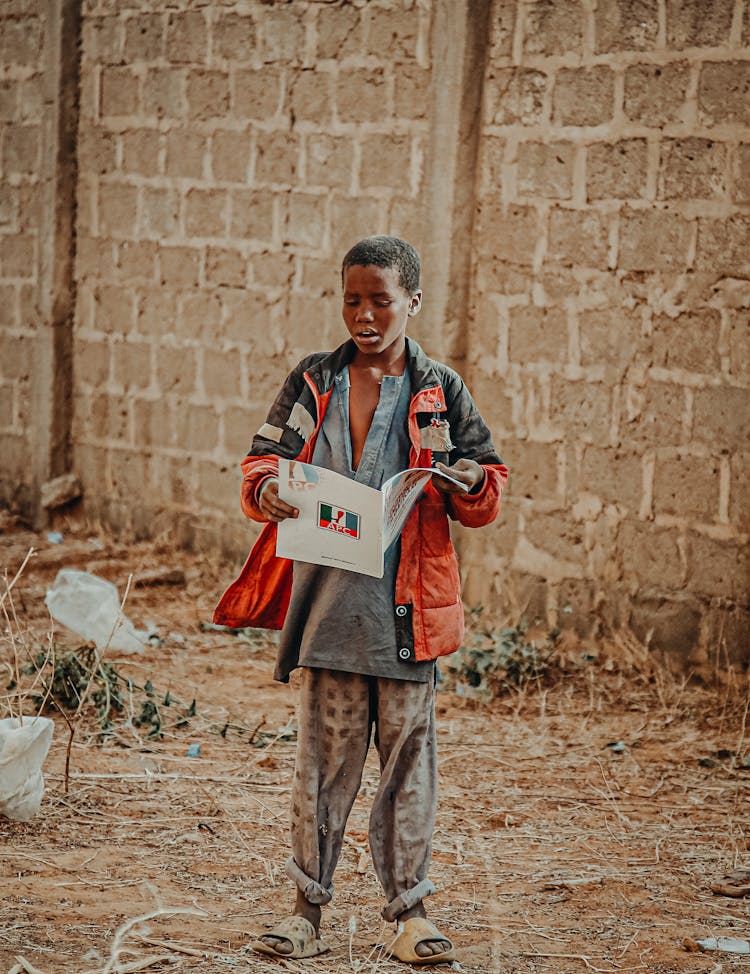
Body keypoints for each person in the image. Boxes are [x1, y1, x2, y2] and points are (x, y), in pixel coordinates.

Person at [214, 236, 508, 964]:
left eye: (381, 299)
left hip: (407, 614)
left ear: (413, 300)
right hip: (329, 612)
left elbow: (489, 483)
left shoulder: (440, 389)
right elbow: (261, 463)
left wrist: (465, 483)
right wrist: (269, 489)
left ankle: (411, 915)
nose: (366, 314)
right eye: (353, 299)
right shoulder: (314, 381)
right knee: (323, 766)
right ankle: (304, 914)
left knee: (408, 765)